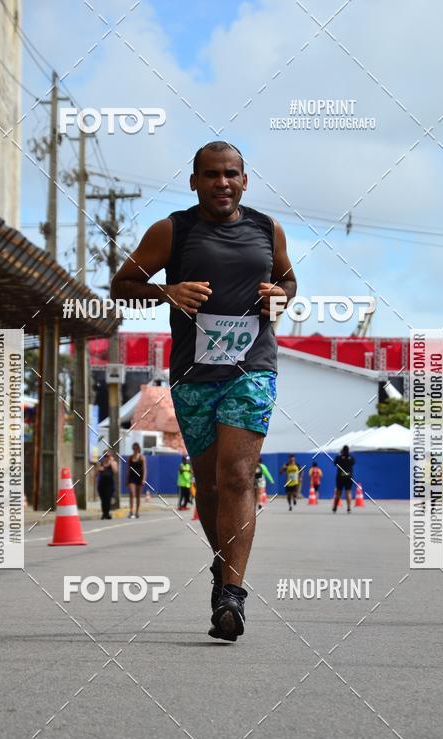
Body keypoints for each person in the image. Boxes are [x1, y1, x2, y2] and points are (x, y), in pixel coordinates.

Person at [111, 140, 296, 641]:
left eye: (232, 173)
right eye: (211, 175)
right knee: (210, 485)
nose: (223, 183)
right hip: (193, 376)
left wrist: (280, 299)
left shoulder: (267, 229)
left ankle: (231, 595)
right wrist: (166, 291)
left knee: (237, 475)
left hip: (252, 369)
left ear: (245, 179)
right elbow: (121, 283)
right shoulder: (173, 231)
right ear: (194, 181)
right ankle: (223, 567)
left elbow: (289, 284)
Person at [333, 445, 355, 513]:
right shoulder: (351, 458)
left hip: (340, 477)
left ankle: (335, 507)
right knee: (348, 492)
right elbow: (353, 463)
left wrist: (340, 455)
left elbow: (335, 463)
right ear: (348, 450)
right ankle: (349, 508)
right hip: (349, 477)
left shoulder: (339, 457)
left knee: (338, 493)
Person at [96, 451, 118, 519]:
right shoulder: (100, 463)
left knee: (108, 499)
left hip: (109, 484)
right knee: (103, 499)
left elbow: (115, 471)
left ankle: (107, 513)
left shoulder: (113, 463)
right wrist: (99, 469)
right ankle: (104, 513)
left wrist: (111, 462)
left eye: (108, 456)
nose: (107, 457)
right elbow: (96, 474)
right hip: (101, 484)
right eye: (105, 456)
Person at [127, 442, 146, 519]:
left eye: (136, 448)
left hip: (139, 477)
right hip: (132, 477)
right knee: (132, 493)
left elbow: (145, 469)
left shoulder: (142, 458)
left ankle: (137, 511)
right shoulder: (130, 458)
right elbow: (128, 469)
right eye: (134, 448)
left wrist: (144, 479)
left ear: (138, 449)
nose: (135, 449)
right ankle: (131, 511)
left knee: (138, 496)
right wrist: (127, 479)